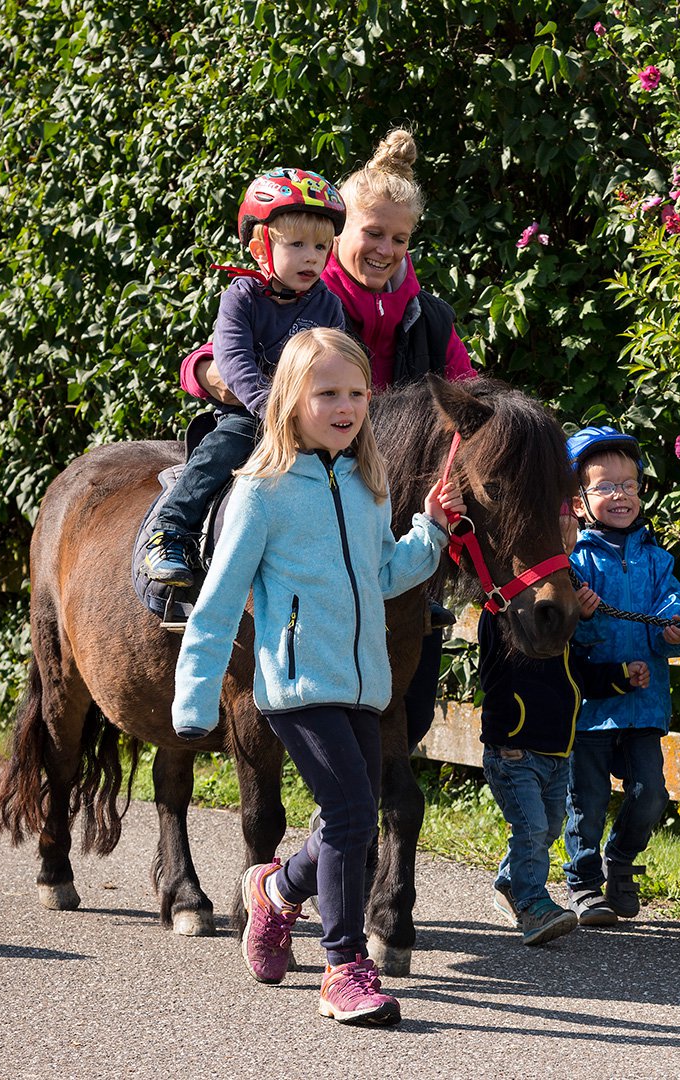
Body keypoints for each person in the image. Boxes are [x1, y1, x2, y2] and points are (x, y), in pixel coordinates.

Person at [170, 327, 464, 1027]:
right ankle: (342, 968)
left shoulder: (370, 485)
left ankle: (275, 892)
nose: (346, 405)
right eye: (327, 391)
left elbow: (384, 575)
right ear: (289, 401)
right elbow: (216, 600)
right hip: (296, 685)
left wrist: (429, 532)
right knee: (355, 816)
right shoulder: (261, 492)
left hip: (363, 684)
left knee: (352, 828)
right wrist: (194, 695)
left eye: (357, 392)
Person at [182, 129, 477, 746]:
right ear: (338, 232)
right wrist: (210, 374)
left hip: (381, 490)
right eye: (372, 233)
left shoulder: (429, 316)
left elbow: (467, 392)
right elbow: (218, 357)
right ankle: (186, 562)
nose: (385, 249)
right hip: (293, 459)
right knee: (232, 477)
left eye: (400, 239)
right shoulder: (303, 287)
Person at [140, 167, 349, 589]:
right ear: (259, 248)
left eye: (322, 247)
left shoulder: (328, 305)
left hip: (313, 417)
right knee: (226, 446)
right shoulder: (241, 298)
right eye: (298, 244)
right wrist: (266, 403)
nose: (312, 256)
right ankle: (171, 529)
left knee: (376, 461)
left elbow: (339, 359)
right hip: (255, 412)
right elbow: (232, 359)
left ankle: (386, 558)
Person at [479, 511, 649, 947]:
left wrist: (618, 676)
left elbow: (581, 676)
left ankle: (508, 880)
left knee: (550, 828)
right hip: (514, 749)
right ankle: (532, 904)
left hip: (558, 751)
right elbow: (498, 647)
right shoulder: (506, 612)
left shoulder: (562, 621)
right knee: (533, 830)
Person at [560, 425, 680, 926]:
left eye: (630, 484)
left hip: (643, 707)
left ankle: (620, 863)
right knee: (588, 801)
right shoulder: (572, 564)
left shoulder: (657, 560)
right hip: (592, 711)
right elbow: (561, 636)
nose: (621, 495)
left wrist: (675, 629)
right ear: (577, 502)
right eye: (605, 486)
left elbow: (676, 608)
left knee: (650, 795)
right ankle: (583, 882)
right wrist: (583, 616)